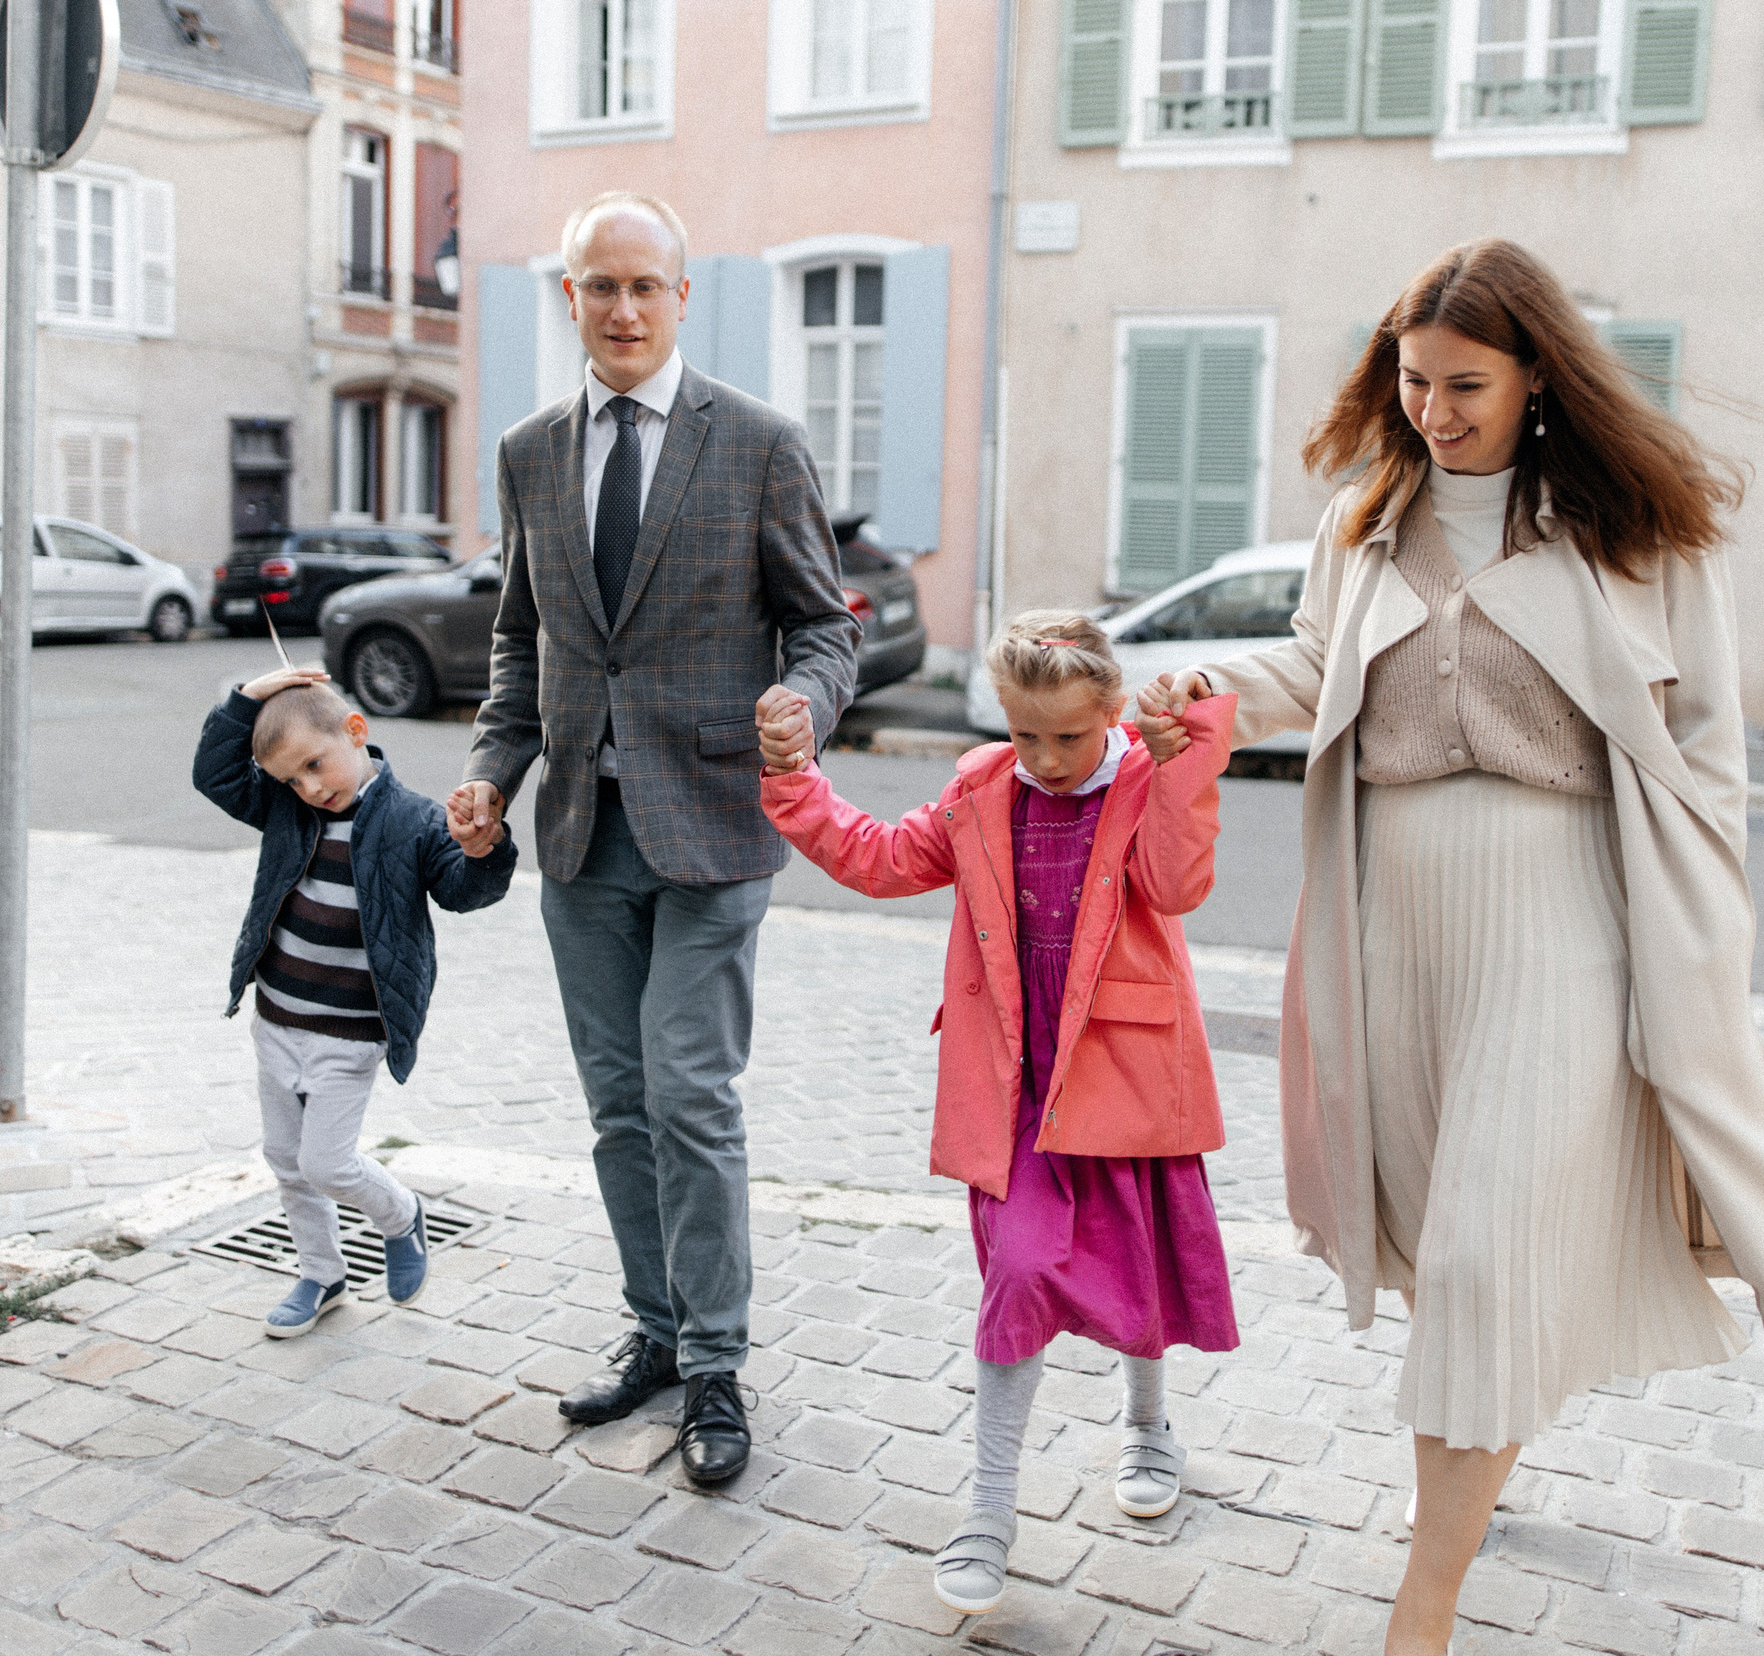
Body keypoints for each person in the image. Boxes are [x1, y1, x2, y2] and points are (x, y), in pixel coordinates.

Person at [1136, 239, 1764, 1655]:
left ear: (1538, 380)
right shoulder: (1364, 524)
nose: (1435, 412)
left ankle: (1425, 1609)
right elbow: (1316, 668)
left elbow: (1707, 746)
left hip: (1563, 920)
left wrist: (1695, 924)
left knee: (1478, 1259)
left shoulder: (1634, 534)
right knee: (1461, 1250)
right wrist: (1204, 691)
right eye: (1412, 383)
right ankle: (1477, 1468)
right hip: (1395, 925)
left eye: (1466, 384)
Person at [446, 191, 858, 1485]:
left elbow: (825, 627)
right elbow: (526, 640)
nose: (623, 309)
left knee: (690, 1095)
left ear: (683, 297)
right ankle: (659, 1334)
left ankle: (720, 1367)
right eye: (599, 286)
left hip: (717, 821)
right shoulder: (526, 452)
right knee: (620, 1108)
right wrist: (490, 774)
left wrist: (807, 702)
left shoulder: (760, 446)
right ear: (569, 299)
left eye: (646, 287)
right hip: (580, 833)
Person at [757, 613, 1243, 1615]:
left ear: (1111, 712)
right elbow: (881, 860)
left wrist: (1183, 766)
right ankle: (987, 1509)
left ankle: (1147, 1424)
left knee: (1135, 1263)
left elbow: (1175, 884)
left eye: (1067, 736)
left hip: (1124, 1077)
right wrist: (796, 780)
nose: (1045, 758)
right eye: (1025, 735)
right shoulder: (982, 786)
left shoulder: (1147, 776)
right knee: (1017, 1275)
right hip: (1014, 1090)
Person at [195, 664, 516, 1336]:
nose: (310, 788)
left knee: (325, 1162)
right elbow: (215, 775)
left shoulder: (416, 821)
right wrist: (249, 696)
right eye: (292, 779)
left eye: (315, 764)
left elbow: (465, 892)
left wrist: (483, 849)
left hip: (351, 1031)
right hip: (277, 1019)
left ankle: (401, 1216)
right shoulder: (288, 809)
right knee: (285, 1161)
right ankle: (321, 1273)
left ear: (356, 732)